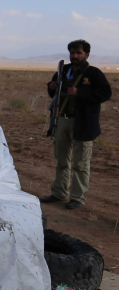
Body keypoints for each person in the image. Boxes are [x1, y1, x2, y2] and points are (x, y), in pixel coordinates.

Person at [40, 40, 112, 210]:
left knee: (81, 163)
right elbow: (54, 94)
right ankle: (59, 193)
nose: (75, 56)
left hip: (84, 123)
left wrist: (80, 92)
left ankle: (78, 198)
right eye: (72, 53)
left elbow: (105, 93)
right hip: (62, 120)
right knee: (62, 159)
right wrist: (51, 87)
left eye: (78, 53)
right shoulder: (63, 71)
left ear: (86, 55)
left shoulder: (93, 73)